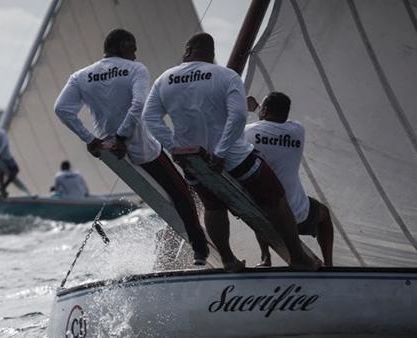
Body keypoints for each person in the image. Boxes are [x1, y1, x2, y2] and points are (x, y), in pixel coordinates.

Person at [142, 32, 320, 271]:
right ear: (212, 54)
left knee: (214, 207)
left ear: (187, 51)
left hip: (195, 163)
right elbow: (237, 115)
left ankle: (228, 260)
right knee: (276, 198)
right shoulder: (225, 76)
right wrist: (221, 151)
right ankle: (298, 257)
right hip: (236, 160)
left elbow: (149, 118)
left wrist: (175, 147)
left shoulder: (164, 79)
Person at [54, 28, 209, 265]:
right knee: (182, 196)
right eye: (133, 48)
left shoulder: (80, 76)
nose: (135, 55)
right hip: (142, 150)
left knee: (160, 200)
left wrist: (91, 140)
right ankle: (200, 251)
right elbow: (138, 105)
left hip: (110, 151)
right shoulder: (136, 69)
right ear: (123, 45)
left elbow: (62, 109)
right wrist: (122, 138)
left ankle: (173, 250)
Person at [246, 92, 334, 266]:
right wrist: (258, 109)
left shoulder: (248, 132)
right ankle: (329, 265)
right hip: (299, 214)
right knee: (324, 214)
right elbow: (274, 122)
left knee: (257, 198)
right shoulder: (297, 130)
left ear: (265, 110)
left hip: (268, 216)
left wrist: (250, 108)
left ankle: (265, 257)